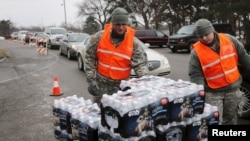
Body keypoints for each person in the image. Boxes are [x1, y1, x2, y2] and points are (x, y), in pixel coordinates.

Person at [188, 18, 250, 125]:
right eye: (200, 36)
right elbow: (195, 74)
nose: (204, 38)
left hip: (233, 89)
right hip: (213, 92)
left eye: (206, 34)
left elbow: (244, 56)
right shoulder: (196, 51)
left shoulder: (229, 39)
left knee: (231, 118)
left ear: (212, 30)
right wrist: (200, 93)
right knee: (215, 121)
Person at [85, 7, 149, 105]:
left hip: (121, 87)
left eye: (124, 24)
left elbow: (140, 64)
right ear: (112, 23)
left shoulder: (133, 42)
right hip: (101, 84)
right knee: (99, 112)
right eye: (117, 24)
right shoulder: (99, 37)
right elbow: (90, 57)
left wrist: (145, 80)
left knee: (118, 114)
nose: (121, 27)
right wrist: (91, 79)